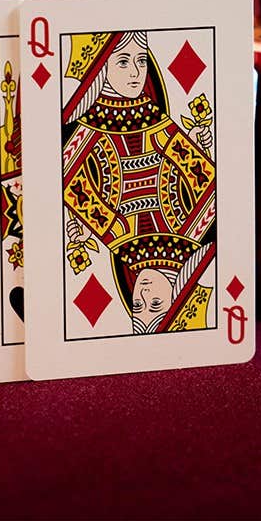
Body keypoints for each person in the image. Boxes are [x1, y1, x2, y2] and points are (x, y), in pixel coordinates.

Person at [60, 30, 216, 334]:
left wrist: (107, 225)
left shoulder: (154, 122)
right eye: (122, 61)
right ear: (103, 67)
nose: (135, 72)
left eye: (141, 60)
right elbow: (67, 177)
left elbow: (200, 175)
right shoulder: (191, 229)